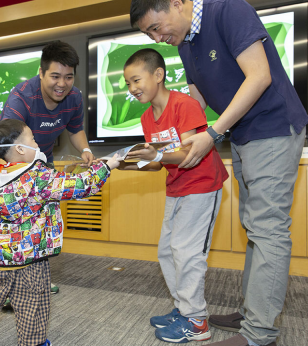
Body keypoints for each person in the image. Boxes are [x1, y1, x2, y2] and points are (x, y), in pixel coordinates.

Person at [130, 0, 308, 345]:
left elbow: (259, 76)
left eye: (156, 26)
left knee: (268, 228)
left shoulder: (228, 10)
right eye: (148, 34)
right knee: (253, 225)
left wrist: (212, 134)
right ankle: (254, 309)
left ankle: (259, 332)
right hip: (242, 134)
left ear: (176, 4)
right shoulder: (185, 44)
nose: (157, 37)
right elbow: (196, 103)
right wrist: (168, 147)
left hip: (273, 127)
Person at [0, 119, 120, 346]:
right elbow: (81, 186)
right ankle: (33, 342)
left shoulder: (0, 174)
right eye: (32, 138)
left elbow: (33, 188)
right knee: (33, 303)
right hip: (31, 257)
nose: (37, 142)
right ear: (21, 149)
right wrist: (108, 166)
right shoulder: (38, 177)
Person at [121, 48, 228, 343]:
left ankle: (196, 321)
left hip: (203, 184)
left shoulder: (185, 104)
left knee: (187, 252)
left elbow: (190, 152)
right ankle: (183, 309)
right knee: (167, 251)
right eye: (127, 84)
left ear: (158, 75)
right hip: (176, 188)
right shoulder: (146, 119)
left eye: (136, 80)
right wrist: (123, 163)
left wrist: (157, 154)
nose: (132, 89)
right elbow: (158, 164)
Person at [0, 40, 93, 297]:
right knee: (15, 222)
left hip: (41, 157)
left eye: (68, 77)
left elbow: (75, 129)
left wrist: (86, 150)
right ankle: (6, 284)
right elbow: (8, 144)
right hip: (8, 158)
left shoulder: (75, 98)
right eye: (55, 76)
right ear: (41, 72)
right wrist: (21, 181)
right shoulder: (21, 96)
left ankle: (36, 278)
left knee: (44, 221)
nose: (62, 84)